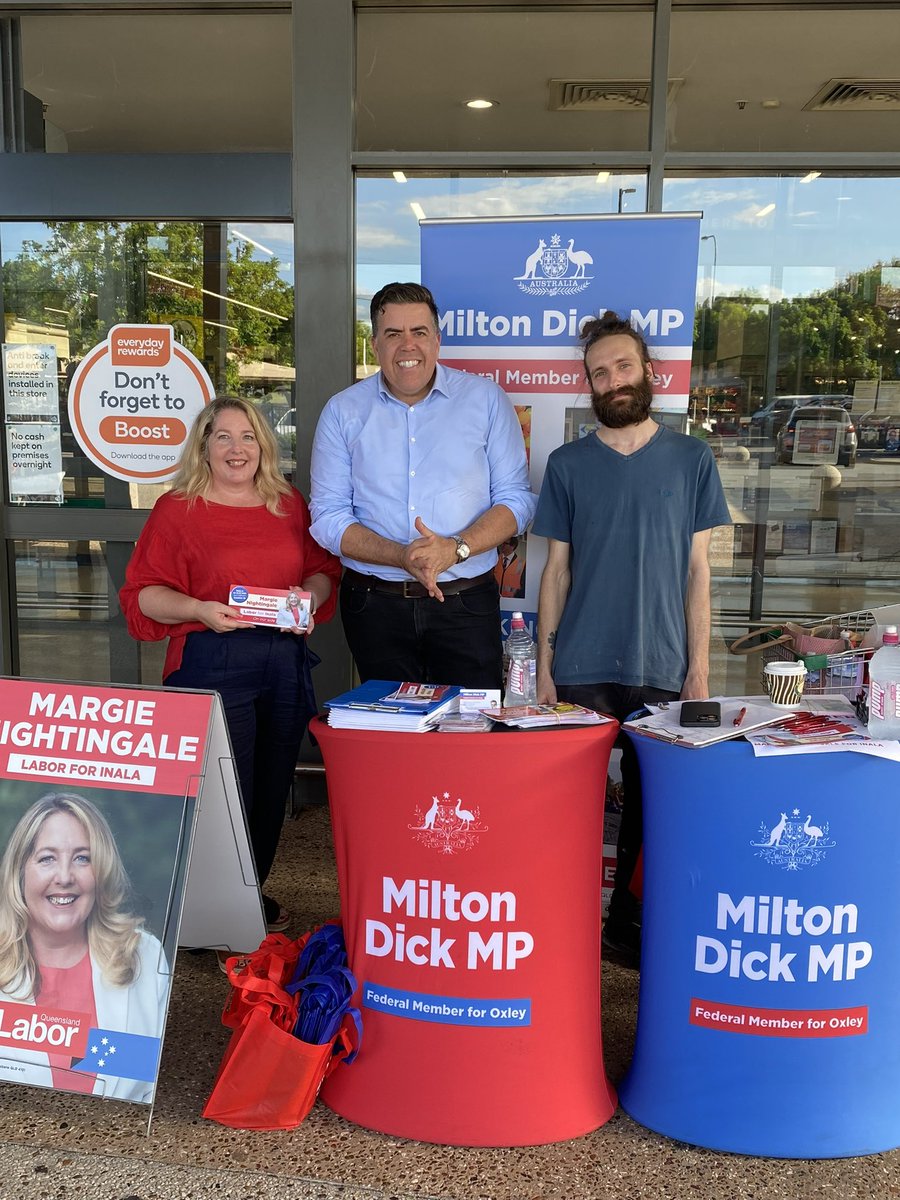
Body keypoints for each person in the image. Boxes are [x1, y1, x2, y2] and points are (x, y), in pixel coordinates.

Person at [533, 311, 731, 968]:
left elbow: (698, 572)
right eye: (599, 373)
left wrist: (698, 671)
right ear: (588, 384)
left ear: (649, 371)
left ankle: (626, 923)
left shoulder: (692, 458)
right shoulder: (567, 464)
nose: (613, 380)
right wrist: (544, 667)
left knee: (653, 809)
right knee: (568, 807)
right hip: (581, 666)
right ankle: (560, 920)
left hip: (662, 666)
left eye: (623, 366)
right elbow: (555, 572)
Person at [120, 396, 341, 938]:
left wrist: (307, 600)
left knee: (270, 786)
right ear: (204, 447)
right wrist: (198, 609)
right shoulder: (177, 510)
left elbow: (321, 572)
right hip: (210, 659)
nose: (237, 449)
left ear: (263, 446)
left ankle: (246, 896)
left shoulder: (288, 504)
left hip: (281, 660)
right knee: (219, 791)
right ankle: (197, 910)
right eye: (223, 437)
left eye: (248, 437)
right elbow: (143, 596)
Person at [309, 282, 536, 688]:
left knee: (471, 723)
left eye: (419, 332)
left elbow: (516, 501)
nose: (407, 345)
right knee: (387, 723)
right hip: (373, 606)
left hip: (465, 602)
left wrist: (455, 548)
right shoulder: (342, 411)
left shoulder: (486, 400)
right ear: (375, 344)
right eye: (393, 334)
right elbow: (327, 517)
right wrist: (401, 556)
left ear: (437, 340)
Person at [0, 792, 168, 1101]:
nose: (65, 877)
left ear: (101, 871)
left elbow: (147, 1085)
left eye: (82, 858)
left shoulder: (143, 955)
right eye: (47, 858)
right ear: (19, 871)